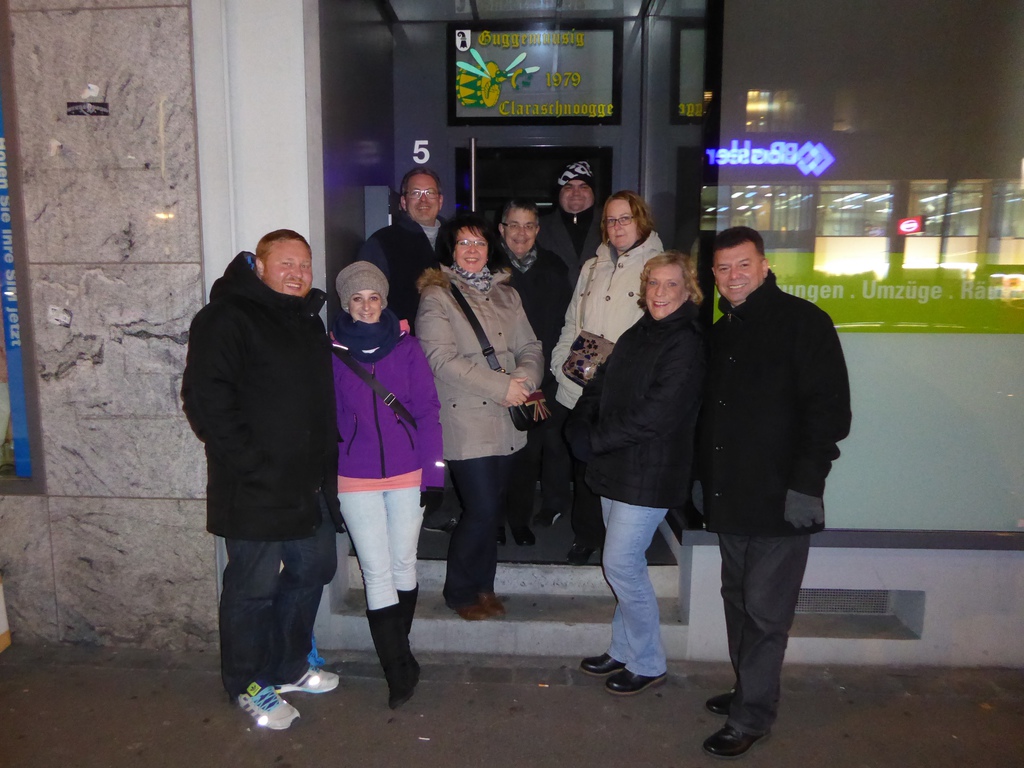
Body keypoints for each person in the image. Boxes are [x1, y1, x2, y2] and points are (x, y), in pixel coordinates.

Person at [698, 226, 851, 759]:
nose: (734, 276)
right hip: (731, 495)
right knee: (738, 600)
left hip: (782, 496)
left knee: (766, 613)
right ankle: (750, 688)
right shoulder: (722, 331)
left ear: (764, 266)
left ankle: (752, 716)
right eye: (723, 268)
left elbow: (829, 413)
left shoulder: (804, 323)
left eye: (743, 265)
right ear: (714, 275)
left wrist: (807, 487)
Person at [181, 230, 341, 730]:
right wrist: (251, 464)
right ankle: (249, 684)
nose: (298, 273)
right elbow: (206, 399)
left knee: (315, 568)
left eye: (304, 265)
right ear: (260, 266)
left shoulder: (307, 320)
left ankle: (288, 665)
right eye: (286, 263)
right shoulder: (226, 317)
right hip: (253, 485)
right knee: (252, 588)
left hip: (307, 482)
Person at [567, 250, 705, 696]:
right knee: (625, 564)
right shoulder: (640, 330)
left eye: (671, 284)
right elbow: (601, 383)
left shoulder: (686, 342)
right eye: (653, 283)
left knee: (621, 565)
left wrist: (595, 440)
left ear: (688, 290)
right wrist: (580, 422)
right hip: (618, 466)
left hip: (650, 472)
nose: (660, 292)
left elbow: (656, 415)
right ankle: (624, 648)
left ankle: (648, 661)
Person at [415, 213, 543, 620]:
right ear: (450, 251)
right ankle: (459, 592)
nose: (472, 250)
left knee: (493, 508)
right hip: (466, 417)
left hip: (507, 416)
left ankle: (484, 586)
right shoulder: (437, 296)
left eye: (480, 243)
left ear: (491, 249)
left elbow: (531, 346)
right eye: (463, 243)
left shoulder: (507, 295)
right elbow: (440, 359)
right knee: (482, 508)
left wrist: (525, 379)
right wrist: (501, 387)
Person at [330, 261, 443, 709]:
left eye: (373, 297)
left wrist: (435, 474)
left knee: (402, 564)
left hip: (407, 471)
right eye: (357, 299)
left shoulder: (408, 347)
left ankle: (401, 652)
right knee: (376, 571)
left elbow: (428, 410)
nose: (366, 306)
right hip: (354, 474)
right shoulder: (331, 352)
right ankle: (398, 671)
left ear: (384, 300)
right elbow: (329, 419)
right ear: (346, 304)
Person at [550, 191, 665, 565]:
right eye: (611, 220)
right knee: (585, 463)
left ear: (641, 220)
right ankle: (586, 535)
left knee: (621, 468)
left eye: (625, 218)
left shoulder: (658, 267)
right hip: (582, 385)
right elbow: (572, 320)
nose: (617, 227)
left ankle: (621, 543)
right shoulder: (592, 266)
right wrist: (560, 362)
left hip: (627, 390)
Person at [498, 199, 574, 544]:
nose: (521, 233)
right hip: (496, 375)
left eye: (529, 225)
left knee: (533, 449)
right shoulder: (488, 267)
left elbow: (566, 321)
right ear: (502, 229)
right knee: (496, 451)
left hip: (542, 375)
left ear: (538, 230)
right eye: (514, 224)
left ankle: (523, 518)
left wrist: (556, 370)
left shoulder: (554, 267)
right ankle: (495, 519)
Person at [356, 167, 444, 331]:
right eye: (415, 193)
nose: (423, 200)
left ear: (440, 200)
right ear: (404, 202)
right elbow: (364, 301)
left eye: (430, 193)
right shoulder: (382, 242)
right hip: (403, 340)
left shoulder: (458, 240)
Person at [536, 161, 602, 285]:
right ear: (559, 193)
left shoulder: (610, 225)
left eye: (583, 187)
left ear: (593, 192)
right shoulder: (539, 228)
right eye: (568, 187)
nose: (576, 193)